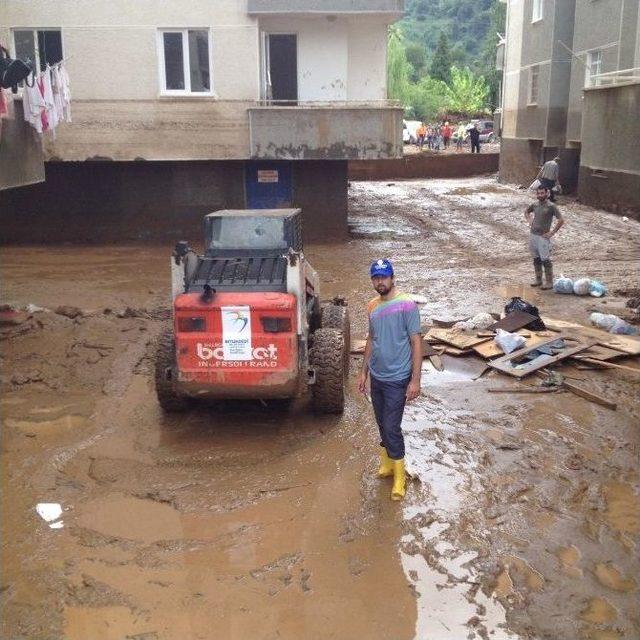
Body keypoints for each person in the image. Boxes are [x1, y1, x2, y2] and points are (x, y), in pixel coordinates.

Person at [358, 259, 422, 501]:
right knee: (381, 423)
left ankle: (399, 477)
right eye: (375, 277)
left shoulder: (407, 305)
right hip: (378, 376)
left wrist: (415, 380)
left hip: (398, 377)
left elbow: (416, 342)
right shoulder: (372, 306)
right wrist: (363, 372)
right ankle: (387, 465)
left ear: (393, 278)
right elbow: (371, 340)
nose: (380, 281)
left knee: (392, 426)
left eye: (384, 277)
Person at [525, 186, 565, 289]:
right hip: (533, 235)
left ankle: (549, 282)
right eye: (538, 193)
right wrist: (529, 221)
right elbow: (526, 212)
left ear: (547, 194)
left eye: (542, 193)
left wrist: (552, 232)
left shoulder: (551, 206)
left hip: (543, 237)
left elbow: (561, 220)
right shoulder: (535, 205)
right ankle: (538, 280)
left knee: (545, 259)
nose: (540, 195)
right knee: (536, 258)